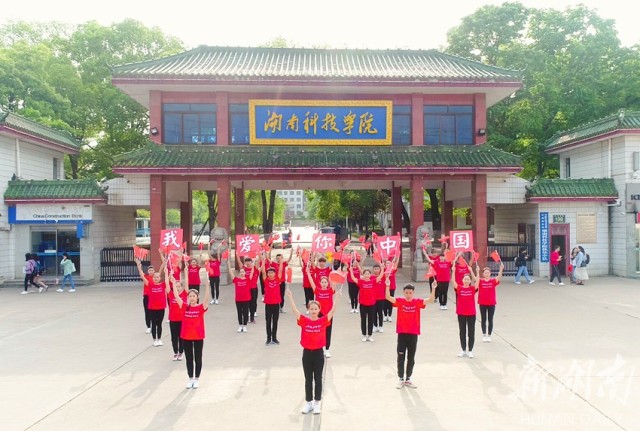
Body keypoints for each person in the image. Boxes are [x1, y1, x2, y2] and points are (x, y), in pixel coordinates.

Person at [285, 288, 337, 415]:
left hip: (319, 354)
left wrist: (338, 297)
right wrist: (290, 296)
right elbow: (294, 310)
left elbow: (333, 310)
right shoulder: (304, 320)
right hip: (307, 354)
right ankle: (308, 403)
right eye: (311, 309)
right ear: (308, 310)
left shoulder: (322, 321)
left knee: (318, 378)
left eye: (315, 309)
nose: (313, 311)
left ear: (319, 310)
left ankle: (317, 403)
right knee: (308, 379)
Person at [386, 280, 436, 389]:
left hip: (413, 334)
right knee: (401, 357)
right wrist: (387, 286)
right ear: (403, 292)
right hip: (402, 333)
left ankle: (408, 378)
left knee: (411, 357)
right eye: (406, 292)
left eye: (410, 293)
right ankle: (400, 378)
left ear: (413, 293)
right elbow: (388, 297)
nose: (408, 295)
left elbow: (431, 300)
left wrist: (433, 288)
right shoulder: (400, 301)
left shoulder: (417, 302)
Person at [171, 270, 211, 389]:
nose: (192, 298)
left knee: (198, 358)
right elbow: (176, 296)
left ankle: (197, 378)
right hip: (186, 337)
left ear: (197, 297)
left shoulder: (201, 308)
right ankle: (190, 378)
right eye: (190, 296)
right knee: (189, 358)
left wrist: (207, 286)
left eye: (194, 296)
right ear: (188, 298)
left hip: (198, 337)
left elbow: (206, 299)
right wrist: (173, 284)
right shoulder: (184, 307)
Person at [136, 258, 166, 346]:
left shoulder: (163, 285)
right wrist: (139, 268)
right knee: (154, 324)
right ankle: (154, 340)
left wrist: (165, 266)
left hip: (161, 308)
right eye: (155, 277)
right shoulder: (150, 285)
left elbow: (167, 276)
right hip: (152, 308)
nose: (156, 278)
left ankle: (159, 339)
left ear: (160, 278)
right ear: (153, 278)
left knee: (159, 324)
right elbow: (142, 277)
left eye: (157, 277)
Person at [452, 256, 478, 358]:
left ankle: (470, 350)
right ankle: (463, 350)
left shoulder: (472, 289)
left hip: (471, 313)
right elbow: (453, 281)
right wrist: (453, 270)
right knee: (462, 332)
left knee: (471, 332)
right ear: (462, 280)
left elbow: (478, 281)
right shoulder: (459, 288)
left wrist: (474, 271)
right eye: (465, 279)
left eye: (468, 279)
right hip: (461, 313)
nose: (466, 281)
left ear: (470, 281)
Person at [306, 270, 336, 357]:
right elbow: (311, 283)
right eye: (322, 282)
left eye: (325, 282)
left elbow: (334, 282)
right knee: (319, 331)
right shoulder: (317, 290)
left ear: (328, 283)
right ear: (320, 283)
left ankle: (327, 349)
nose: (324, 284)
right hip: (319, 314)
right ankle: (319, 348)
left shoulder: (330, 290)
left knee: (328, 332)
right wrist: (308, 274)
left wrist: (336, 273)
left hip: (328, 315)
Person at [477, 263, 504, 342]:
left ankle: (489, 335)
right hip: (482, 303)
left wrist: (501, 269)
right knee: (483, 319)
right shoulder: (480, 281)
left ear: (490, 273)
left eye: (488, 273)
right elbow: (475, 279)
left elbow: (499, 277)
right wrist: (477, 271)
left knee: (490, 319)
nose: (486, 274)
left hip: (491, 303)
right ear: (483, 274)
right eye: (485, 273)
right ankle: (484, 334)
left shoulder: (492, 281)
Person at [261, 256, 284, 345]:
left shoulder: (277, 280)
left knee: (275, 322)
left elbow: (281, 270)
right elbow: (263, 271)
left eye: (272, 272)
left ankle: (274, 338)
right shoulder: (266, 281)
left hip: (276, 304)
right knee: (268, 322)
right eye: (269, 273)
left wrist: (281, 262)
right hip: (268, 305)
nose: (270, 274)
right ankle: (268, 338)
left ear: (274, 273)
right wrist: (263, 262)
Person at [229, 254, 253, 333]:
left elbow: (252, 271)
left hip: (246, 299)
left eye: (243, 272)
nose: (242, 273)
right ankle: (240, 326)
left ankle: (245, 326)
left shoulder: (248, 279)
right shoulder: (237, 280)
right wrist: (228, 264)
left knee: (245, 312)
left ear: (245, 273)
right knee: (239, 312)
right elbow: (231, 272)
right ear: (239, 273)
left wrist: (253, 262)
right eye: (241, 272)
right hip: (238, 299)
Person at [166, 269, 187, 360]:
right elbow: (167, 285)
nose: (177, 288)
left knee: (181, 336)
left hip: (182, 320)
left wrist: (186, 271)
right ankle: (175, 352)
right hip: (173, 319)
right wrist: (166, 273)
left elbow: (187, 283)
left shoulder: (185, 294)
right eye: (176, 286)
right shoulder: (171, 295)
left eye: (179, 286)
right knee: (174, 337)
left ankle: (181, 352)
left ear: (182, 287)